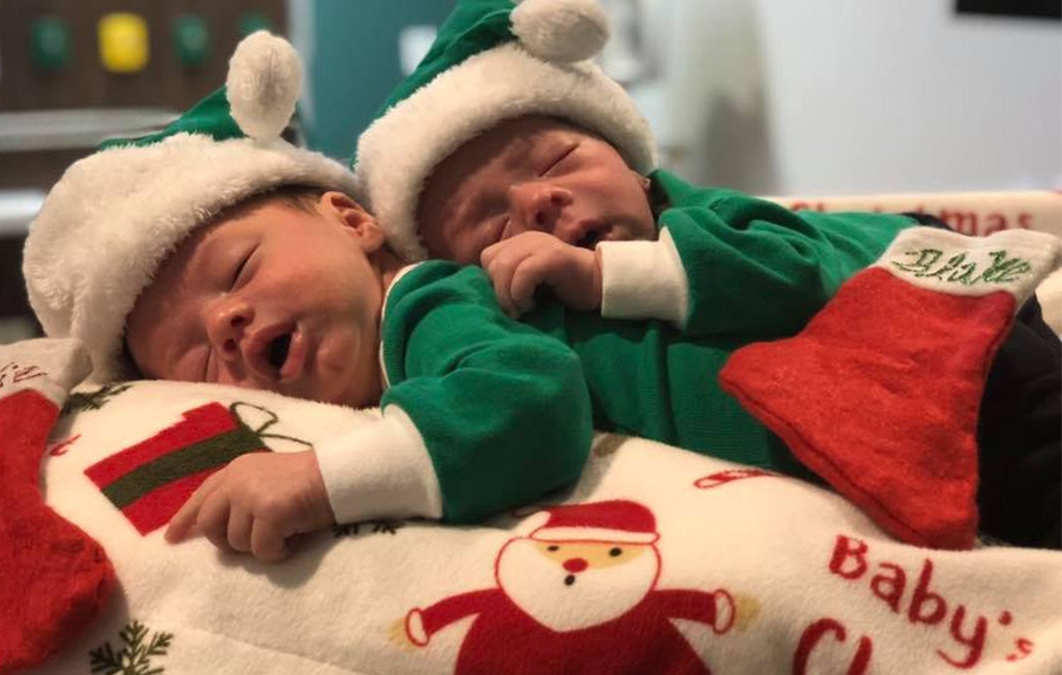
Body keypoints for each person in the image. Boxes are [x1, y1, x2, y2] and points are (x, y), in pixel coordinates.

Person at [349, 0, 1061, 548]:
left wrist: (605, 275)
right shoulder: (520, 324)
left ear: (633, 163)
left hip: (953, 350)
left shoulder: (700, 222)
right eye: (492, 223)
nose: (538, 202)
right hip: (874, 448)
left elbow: (796, 272)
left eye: (557, 162)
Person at [24, 32, 593, 563]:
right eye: (195, 356)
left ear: (351, 220)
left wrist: (320, 483)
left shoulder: (420, 305)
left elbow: (535, 401)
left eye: (239, 268)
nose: (225, 321)